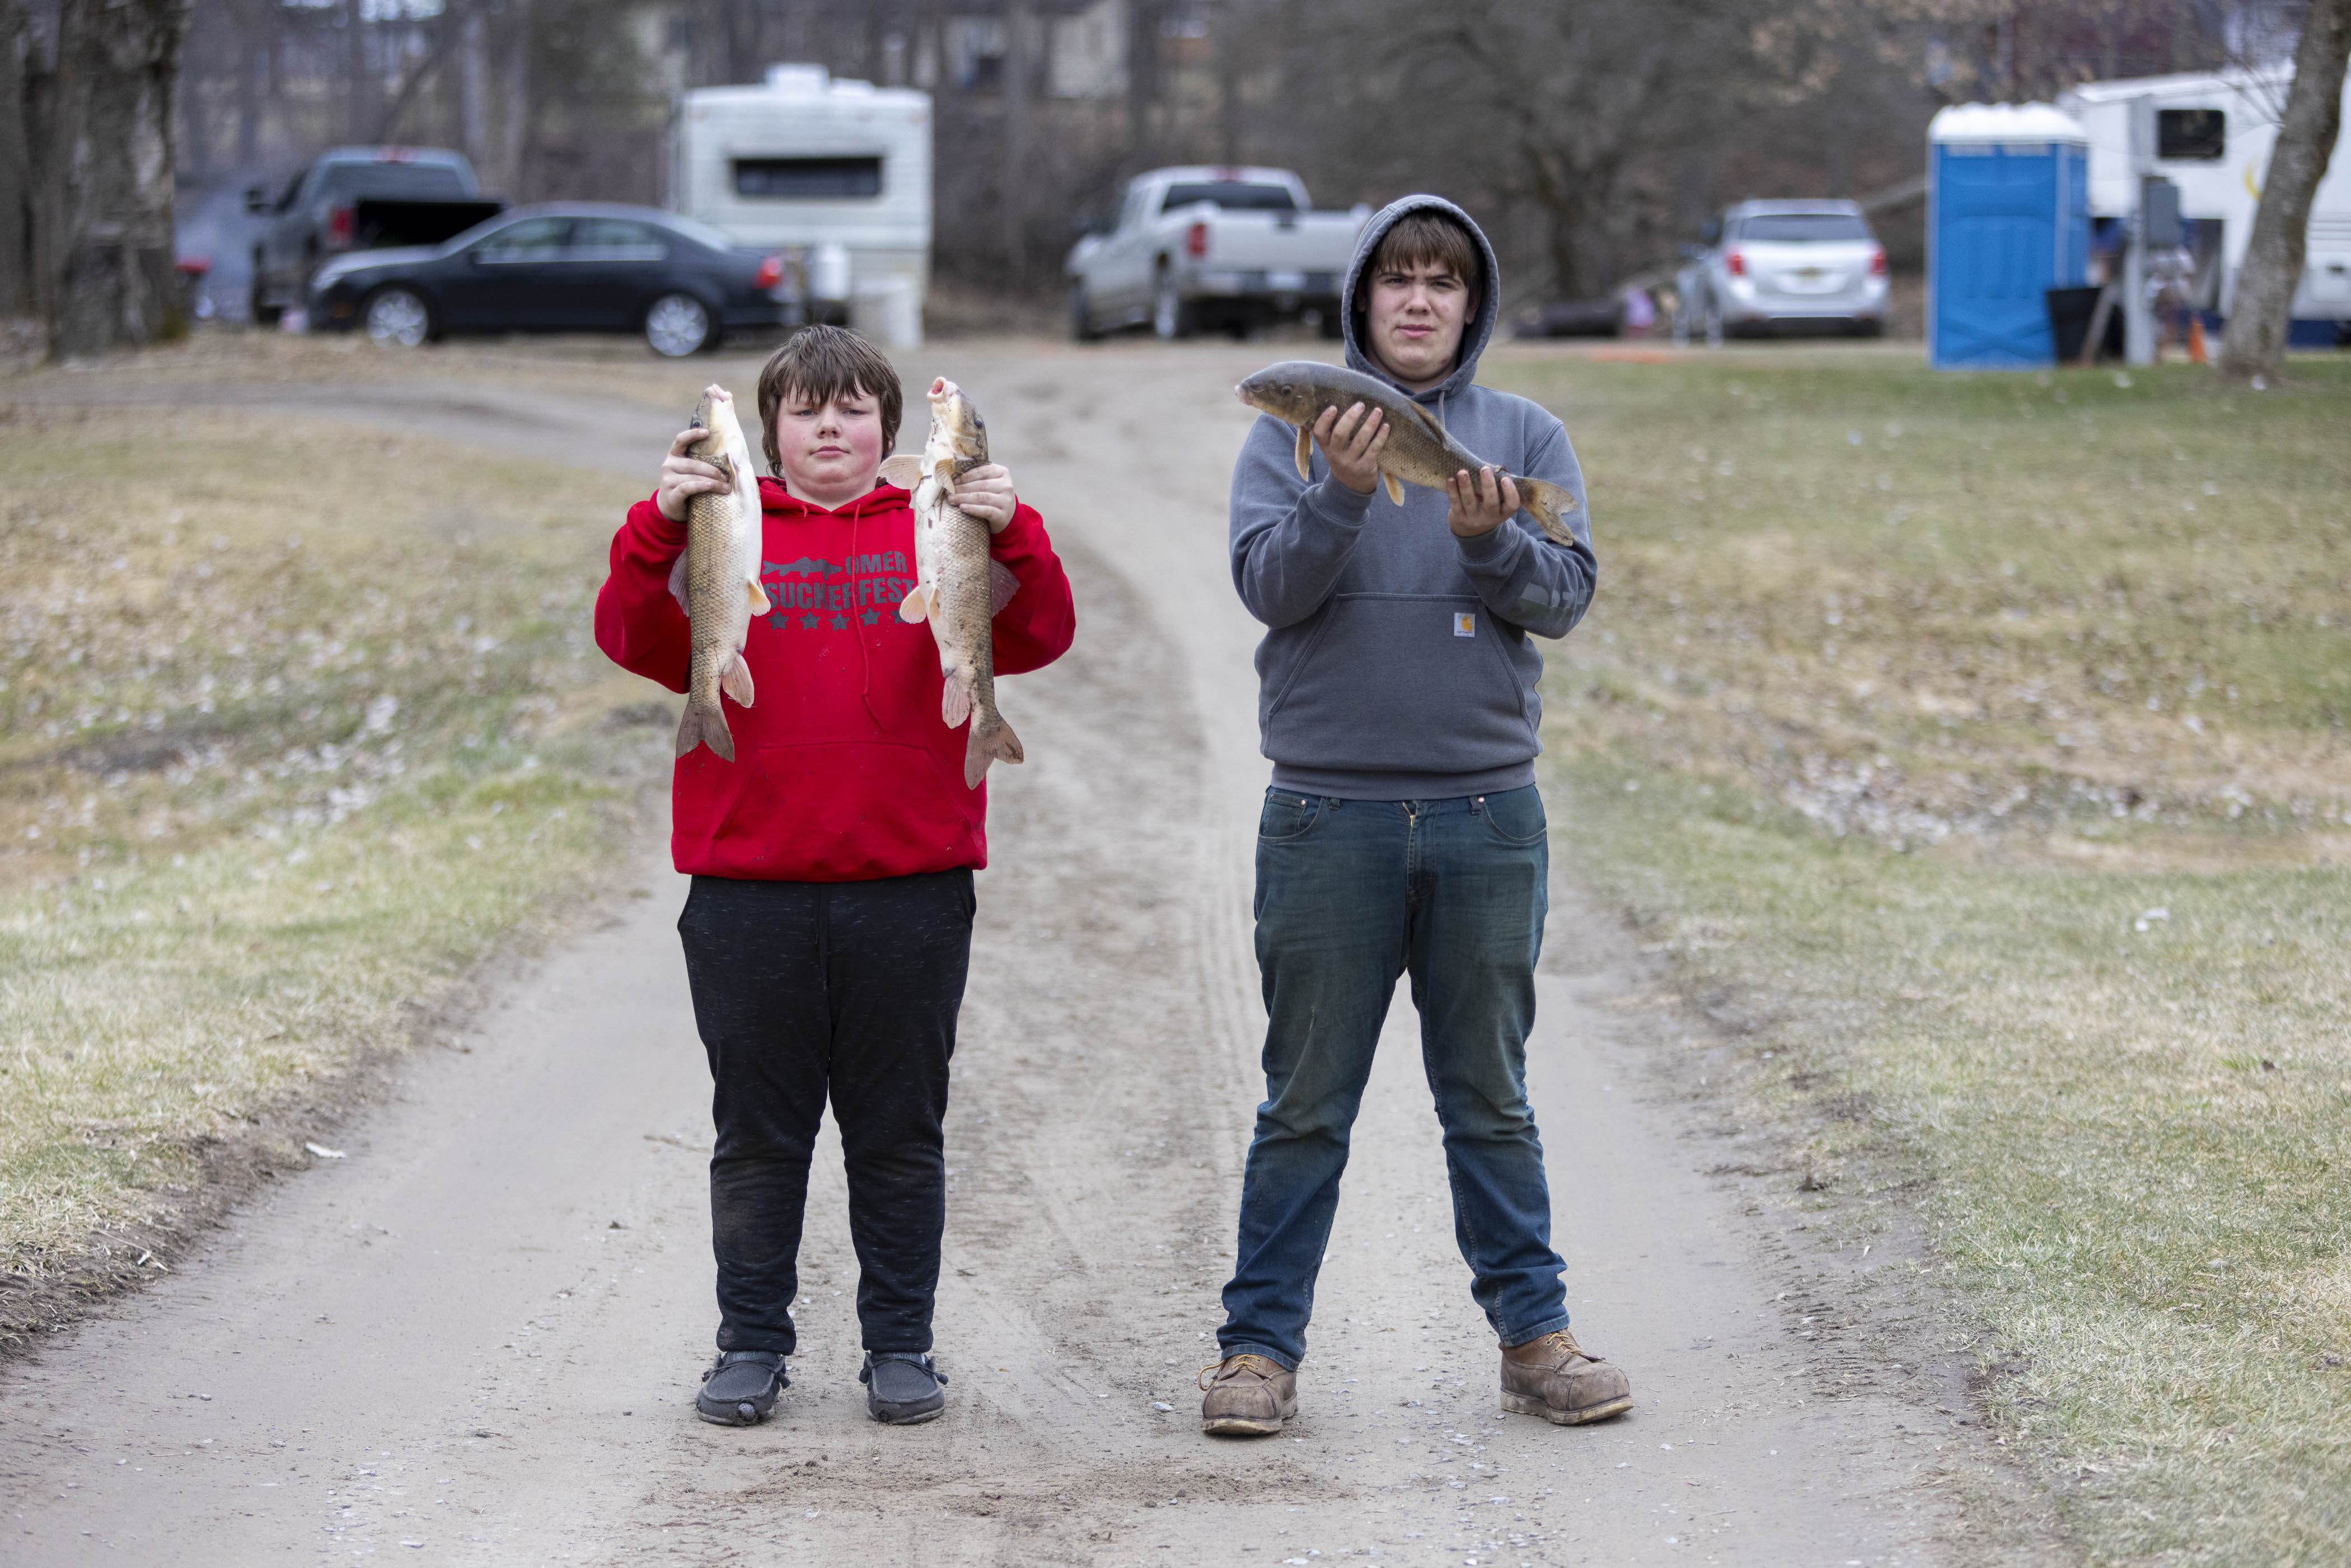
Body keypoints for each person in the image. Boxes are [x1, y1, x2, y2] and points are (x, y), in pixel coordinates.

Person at [594, 326, 1075, 1427]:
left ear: (890, 432)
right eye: (806, 411)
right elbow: (628, 634)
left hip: (909, 889)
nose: (828, 428)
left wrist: (1017, 533)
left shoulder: (933, 523)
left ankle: (900, 1345)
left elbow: (1042, 633)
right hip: (746, 894)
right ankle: (750, 1342)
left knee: (899, 1133)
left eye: (853, 409)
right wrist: (654, 524)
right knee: (758, 1136)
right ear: (770, 432)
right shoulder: (730, 529)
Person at [1201, 198, 1629, 1435]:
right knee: (1305, 1102)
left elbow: (1563, 599)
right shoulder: (1292, 436)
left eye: (1443, 280)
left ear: (1475, 301)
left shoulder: (1523, 434)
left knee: (1487, 1093)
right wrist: (1337, 493)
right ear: (1361, 298)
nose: (1420, 300)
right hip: (1326, 814)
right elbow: (1269, 591)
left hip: (1486, 818)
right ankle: (1259, 1353)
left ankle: (1536, 1340)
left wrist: (1491, 546)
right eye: (1397, 278)